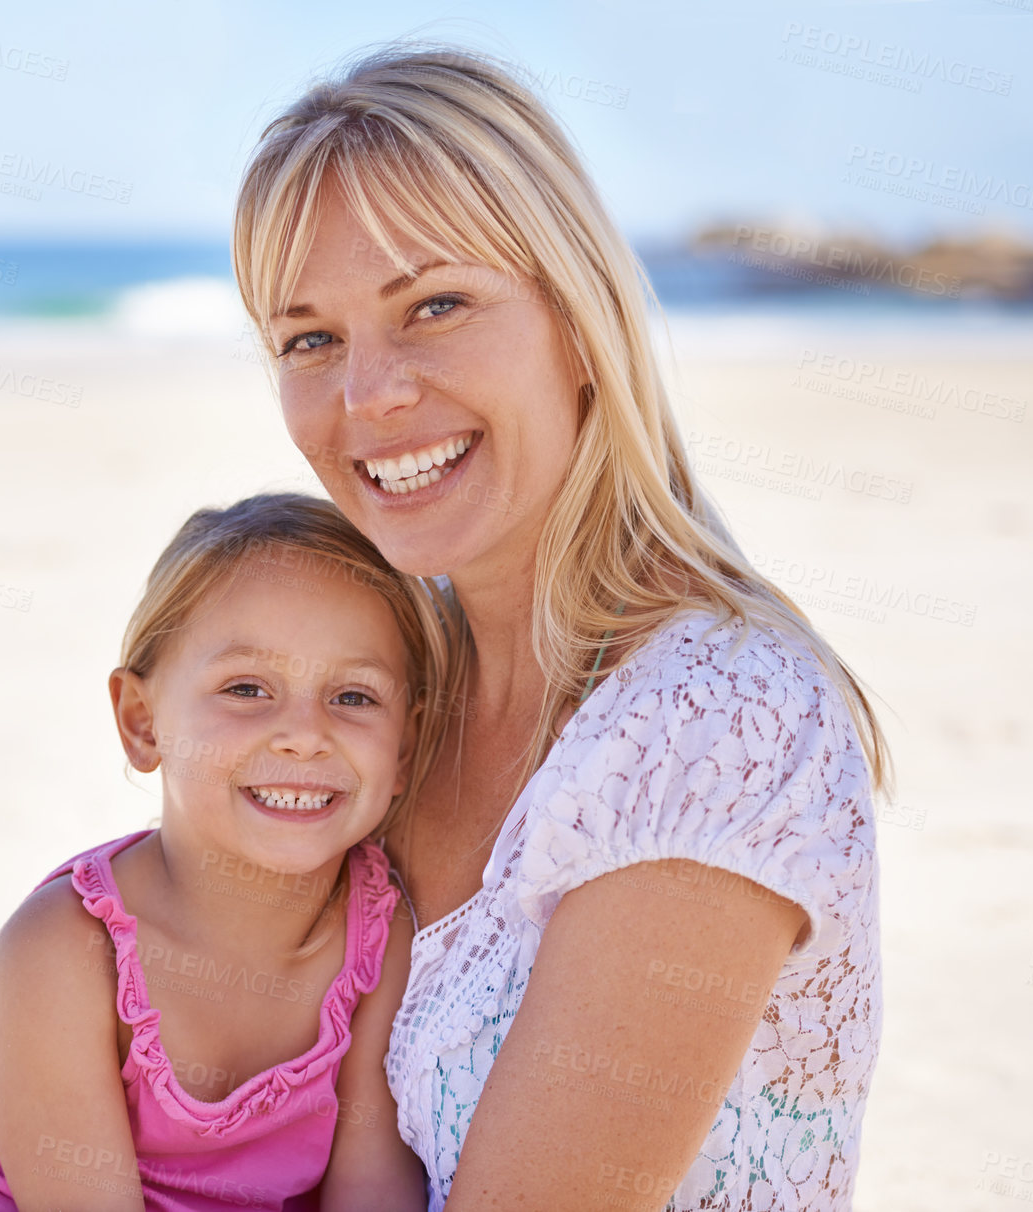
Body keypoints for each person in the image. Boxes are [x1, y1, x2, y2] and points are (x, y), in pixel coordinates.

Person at [230, 45, 892, 1211]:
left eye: (434, 305)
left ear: (578, 322)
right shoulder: (379, 702)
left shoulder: (714, 723)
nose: (366, 394)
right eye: (308, 340)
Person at [0, 493, 456, 1211]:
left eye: (355, 697)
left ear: (405, 745)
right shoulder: (64, 953)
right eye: (246, 689)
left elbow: (370, 1191)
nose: (305, 734)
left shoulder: (379, 934)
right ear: (142, 723)